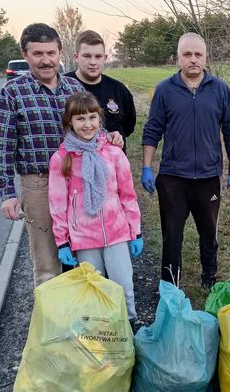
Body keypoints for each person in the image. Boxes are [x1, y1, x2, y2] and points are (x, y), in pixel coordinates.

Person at [0, 23, 122, 287]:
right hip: (39, 183)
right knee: (48, 262)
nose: (46, 60)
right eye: (38, 53)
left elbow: (92, 127)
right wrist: (7, 193)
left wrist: (109, 137)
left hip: (79, 178)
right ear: (25, 54)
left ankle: (87, 318)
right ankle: (51, 325)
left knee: (84, 251)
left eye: (51, 53)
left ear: (60, 52)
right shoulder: (12, 93)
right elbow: (1, 146)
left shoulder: (74, 87)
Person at [141, 32, 230, 289]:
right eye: (187, 54)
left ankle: (209, 278)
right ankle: (169, 284)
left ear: (205, 57)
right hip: (173, 178)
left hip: (208, 178)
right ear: (178, 57)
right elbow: (153, 129)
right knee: (172, 235)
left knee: (208, 234)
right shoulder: (165, 90)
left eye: (198, 54)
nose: (193, 60)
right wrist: (146, 167)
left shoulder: (220, 89)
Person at [48, 92, 142, 321]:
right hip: (84, 236)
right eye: (80, 119)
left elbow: (127, 195)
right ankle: (101, 334)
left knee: (123, 285)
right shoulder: (62, 158)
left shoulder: (113, 153)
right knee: (95, 289)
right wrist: (62, 241)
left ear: (100, 119)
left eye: (92, 117)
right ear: (69, 121)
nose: (87, 124)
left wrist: (135, 230)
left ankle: (128, 327)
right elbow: (58, 204)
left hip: (116, 232)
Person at [66, 30, 136, 153]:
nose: (93, 62)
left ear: (105, 58)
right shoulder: (64, 87)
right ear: (76, 57)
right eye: (87, 56)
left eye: (98, 56)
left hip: (113, 166)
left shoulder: (119, 90)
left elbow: (128, 127)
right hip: (74, 166)